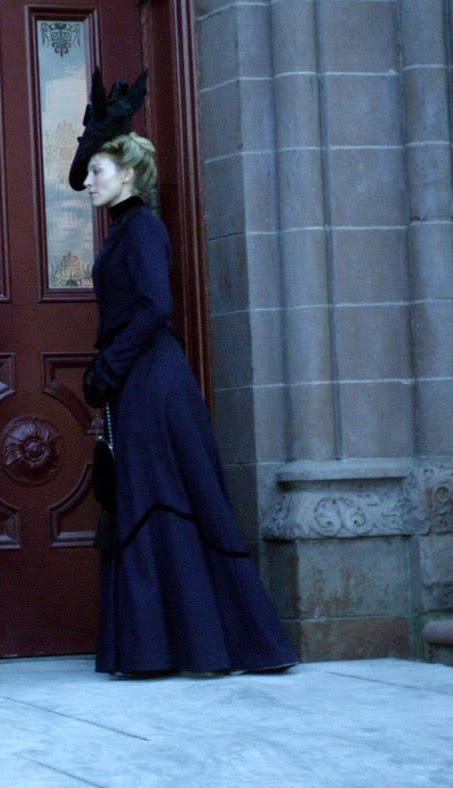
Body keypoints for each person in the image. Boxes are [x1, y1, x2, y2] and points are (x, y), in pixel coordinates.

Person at [79, 130, 297, 677]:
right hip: (140, 379)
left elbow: (155, 306)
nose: (88, 183)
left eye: (97, 171)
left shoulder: (143, 229)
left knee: (162, 497)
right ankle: (165, 648)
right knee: (149, 496)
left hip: (152, 381)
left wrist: (108, 368)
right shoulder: (125, 230)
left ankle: (193, 648)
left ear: (128, 174)